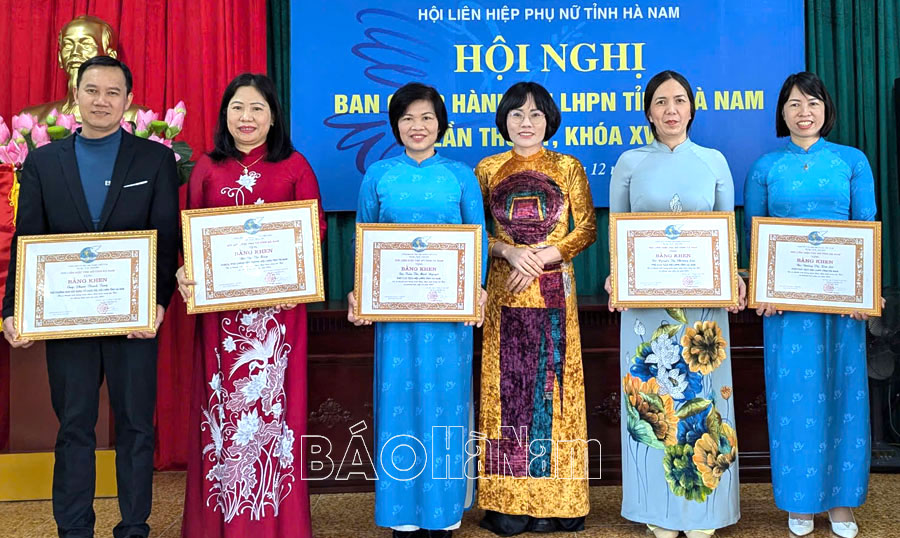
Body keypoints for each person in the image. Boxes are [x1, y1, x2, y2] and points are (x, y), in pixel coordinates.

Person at [2, 55, 179, 538]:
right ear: (76, 95)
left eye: (113, 93)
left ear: (128, 100)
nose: (102, 101)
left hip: (134, 319)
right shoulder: (42, 163)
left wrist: (158, 303)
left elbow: (167, 239)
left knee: (136, 426)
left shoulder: (155, 161)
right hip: (69, 319)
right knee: (74, 425)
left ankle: (134, 525)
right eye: (93, 91)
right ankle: (74, 528)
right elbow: (27, 240)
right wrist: (14, 308)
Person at [178, 73, 325, 538]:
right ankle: (220, 524)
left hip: (277, 320)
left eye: (258, 108)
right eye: (238, 107)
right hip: (221, 319)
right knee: (224, 413)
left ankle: (278, 525)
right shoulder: (207, 168)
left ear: (273, 117)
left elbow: (315, 231)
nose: (247, 117)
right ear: (225, 114)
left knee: (275, 416)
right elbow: (189, 233)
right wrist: (185, 270)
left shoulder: (295, 167)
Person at [744, 71, 883, 538]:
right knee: (794, 399)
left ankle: (842, 503)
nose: (804, 113)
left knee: (845, 395)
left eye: (813, 103)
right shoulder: (765, 167)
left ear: (826, 110)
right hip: (785, 309)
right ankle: (799, 503)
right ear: (781, 113)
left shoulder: (852, 161)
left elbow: (867, 228)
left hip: (843, 305)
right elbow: (754, 235)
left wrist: (867, 291)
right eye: (794, 104)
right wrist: (760, 290)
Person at [607, 70, 745, 538]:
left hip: (703, 309)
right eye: (661, 101)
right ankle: (659, 511)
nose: (671, 109)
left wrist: (734, 275)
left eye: (680, 100)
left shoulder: (713, 161)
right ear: (648, 111)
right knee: (653, 400)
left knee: (703, 398)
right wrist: (615, 274)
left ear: (691, 108)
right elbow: (618, 229)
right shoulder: (629, 162)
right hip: (646, 309)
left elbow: (726, 231)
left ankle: (705, 512)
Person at [347, 81, 487, 538]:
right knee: (398, 406)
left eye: (426, 117)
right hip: (395, 318)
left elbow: (478, 238)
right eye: (407, 118)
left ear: (440, 123)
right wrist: (360, 292)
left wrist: (478, 291)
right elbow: (364, 238)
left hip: (449, 318)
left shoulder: (460, 176)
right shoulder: (379, 175)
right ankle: (401, 515)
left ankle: (443, 514)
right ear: (396, 125)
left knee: (446, 406)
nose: (417, 126)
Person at [474, 81, 596, 535]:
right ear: (503, 120)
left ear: (549, 121)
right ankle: (508, 503)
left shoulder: (567, 166)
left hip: (553, 290)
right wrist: (508, 251)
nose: (526, 123)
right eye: (517, 114)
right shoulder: (487, 169)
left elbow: (586, 228)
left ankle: (559, 502)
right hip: (505, 290)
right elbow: (474, 232)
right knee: (508, 393)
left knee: (554, 390)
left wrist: (544, 255)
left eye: (535, 114)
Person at [20, 15, 145, 123]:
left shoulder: (134, 118)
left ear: (110, 57)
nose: (75, 52)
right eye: (68, 45)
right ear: (60, 58)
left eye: (86, 45)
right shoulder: (33, 118)